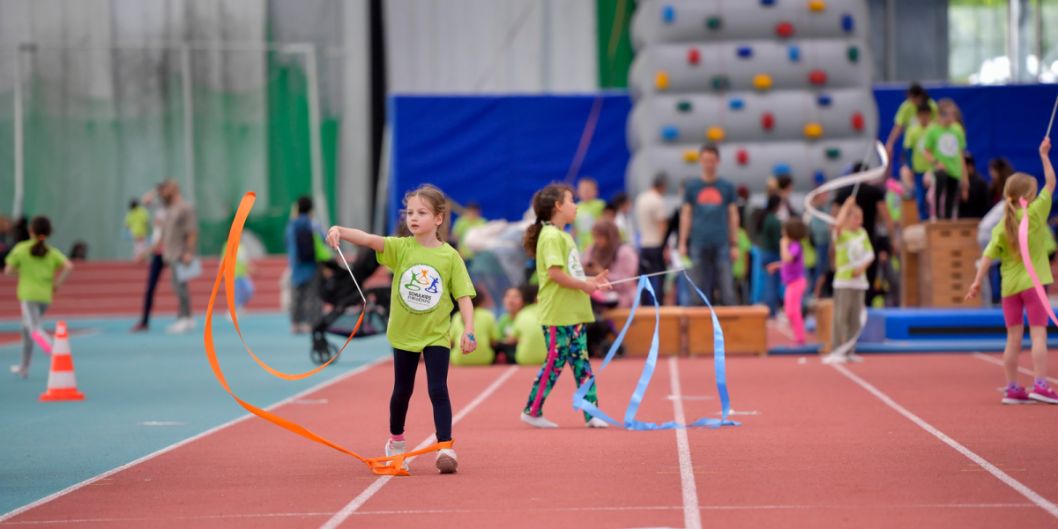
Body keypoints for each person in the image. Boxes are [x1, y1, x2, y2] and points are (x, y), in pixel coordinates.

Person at [326, 184, 475, 474]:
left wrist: (469, 329)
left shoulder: (450, 257)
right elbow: (369, 240)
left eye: (421, 212)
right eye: (410, 212)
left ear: (439, 219)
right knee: (402, 391)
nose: (413, 218)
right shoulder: (400, 247)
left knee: (438, 389)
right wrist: (340, 230)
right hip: (404, 334)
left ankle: (445, 446)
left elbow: (464, 297)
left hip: (436, 334)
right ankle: (396, 443)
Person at [967, 138, 1058, 405]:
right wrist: (1043, 155)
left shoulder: (1001, 224)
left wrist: (976, 281)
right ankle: (1040, 384)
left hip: (1010, 288)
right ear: (1028, 197)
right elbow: (1051, 183)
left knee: (1013, 338)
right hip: (1034, 283)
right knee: (1038, 333)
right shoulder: (1037, 213)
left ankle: (1012, 387)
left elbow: (986, 257)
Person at [520, 183, 611, 429]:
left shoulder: (563, 235)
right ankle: (532, 410)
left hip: (573, 312)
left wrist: (590, 281)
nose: (576, 205)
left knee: (582, 362)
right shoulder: (550, 236)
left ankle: (591, 413)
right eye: (571, 200)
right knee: (554, 363)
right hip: (557, 314)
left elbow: (571, 272)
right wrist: (584, 286)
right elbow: (554, 274)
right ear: (558, 206)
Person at [4, 217, 73, 379]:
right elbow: (69, 266)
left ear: (31, 231)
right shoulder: (51, 252)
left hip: (28, 295)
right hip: (44, 296)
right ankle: (24, 367)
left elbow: (8, 270)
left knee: (34, 329)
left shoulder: (21, 249)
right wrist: (57, 284)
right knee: (26, 329)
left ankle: (56, 353)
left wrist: (23, 273)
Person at [679, 144, 739, 306]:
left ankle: (731, 329)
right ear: (700, 161)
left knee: (727, 290)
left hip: (722, 243)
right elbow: (686, 215)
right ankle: (699, 327)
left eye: (712, 160)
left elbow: (733, 215)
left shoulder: (727, 187)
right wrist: (683, 242)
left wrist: (734, 244)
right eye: (705, 160)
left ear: (717, 161)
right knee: (696, 289)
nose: (708, 164)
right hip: (698, 242)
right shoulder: (692, 187)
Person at [823, 196, 875, 364]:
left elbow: (870, 254)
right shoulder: (841, 234)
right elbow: (837, 225)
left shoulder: (862, 233)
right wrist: (846, 206)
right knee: (841, 316)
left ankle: (850, 350)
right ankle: (837, 349)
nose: (859, 221)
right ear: (848, 219)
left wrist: (862, 267)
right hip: (844, 281)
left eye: (861, 218)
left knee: (855, 317)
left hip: (859, 281)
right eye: (855, 217)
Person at [159, 181, 198, 334]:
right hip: (171, 252)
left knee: (180, 286)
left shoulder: (185, 208)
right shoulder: (170, 208)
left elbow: (191, 231)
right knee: (176, 286)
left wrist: (188, 251)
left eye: (165, 189)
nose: (162, 193)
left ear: (174, 190)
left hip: (180, 252)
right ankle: (186, 316)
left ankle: (185, 317)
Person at [131, 184, 168, 333]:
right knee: (150, 287)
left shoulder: (171, 209)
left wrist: (144, 253)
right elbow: (145, 200)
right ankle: (145, 321)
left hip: (170, 251)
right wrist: (156, 190)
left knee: (179, 285)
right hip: (158, 252)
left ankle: (185, 316)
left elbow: (163, 238)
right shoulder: (159, 208)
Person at [922, 100, 968, 220]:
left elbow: (961, 155)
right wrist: (936, 163)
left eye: (954, 114)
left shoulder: (957, 130)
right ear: (941, 115)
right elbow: (926, 151)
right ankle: (936, 216)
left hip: (954, 171)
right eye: (950, 114)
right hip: (940, 171)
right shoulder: (933, 130)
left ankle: (947, 221)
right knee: (939, 190)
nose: (952, 118)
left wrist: (965, 178)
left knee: (950, 201)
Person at [767, 218, 808, 345]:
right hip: (792, 283)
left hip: (797, 282)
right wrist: (777, 265)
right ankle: (798, 336)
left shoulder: (795, 245)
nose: (782, 232)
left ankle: (800, 337)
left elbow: (788, 258)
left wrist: (783, 244)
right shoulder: (792, 246)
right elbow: (787, 262)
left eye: (784, 230)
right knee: (790, 311)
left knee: (792, 311)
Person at [285, 196, 323, 334]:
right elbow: (323, 239)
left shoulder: (292, 225)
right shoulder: (313, 223)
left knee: (297, 295)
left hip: (297, 266)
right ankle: (311, 322)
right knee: (312, 295)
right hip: (312, 265)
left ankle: (295, 323)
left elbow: (289, 245)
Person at [584, 219, 638, 309]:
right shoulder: (592, 250)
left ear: (610, 236)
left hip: (624, 302)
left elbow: (626, 282)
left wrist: (602, 273)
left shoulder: (625, 252)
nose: (597, 240)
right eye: (595, 237)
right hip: (598, 301)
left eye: (600, 237)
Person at [884, 82, 939, 165]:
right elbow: (898, 126)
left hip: (929, 145)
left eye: (912, 98)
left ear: (919, 97)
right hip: (911, 144)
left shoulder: (932, 106)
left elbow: (938, 125)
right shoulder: (906, 107)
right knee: (907, 168)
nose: (910, 100)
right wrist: (890, 143)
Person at [635, 174, 669, 304]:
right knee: (658, 278)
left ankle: (644, 304)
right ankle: (657, 304)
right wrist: (664, 246)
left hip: (643, 244)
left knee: (644, 278)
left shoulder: (641, 198)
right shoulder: (658, 200)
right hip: (656, 244)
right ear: (663, 187)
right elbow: (662, 225)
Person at [900, 102, 935, 221]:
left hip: (932, 169)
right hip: (919, 169)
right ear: (918, 116)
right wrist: (910, 167)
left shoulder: (933, 130)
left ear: (930, 115)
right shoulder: (912, 131)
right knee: (920, 198)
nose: (924, 118)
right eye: (922, 115)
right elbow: (908, 150)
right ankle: (923, 220)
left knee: (932, 197)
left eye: (926, 115)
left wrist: (934, 166)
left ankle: (933, 220)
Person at [449, 286, 497, 366]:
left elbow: (450, 342)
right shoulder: (488, 315)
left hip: (459, 359)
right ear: (481, 300)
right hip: (484, 359)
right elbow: (494, 341)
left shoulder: (457, 316)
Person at [758, 194, 783, 316]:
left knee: (768, 283)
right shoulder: (773, 220)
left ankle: (770, 309)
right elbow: (776, 240)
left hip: (766, 253)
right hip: (772, 254)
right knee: (772, 284)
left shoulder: (766, 217)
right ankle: (772, 311)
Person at [573, 177, 606, 252]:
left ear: (595, 191)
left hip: (597, 244)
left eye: (588, 190)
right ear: (578, 192)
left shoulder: (600, 204)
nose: (585, 192)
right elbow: (574, 228)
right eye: (583, 190)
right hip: (582, 246)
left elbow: (605, 223)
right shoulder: (576, 207)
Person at [958, 152, 991, 219]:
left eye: (966, 165)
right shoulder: (958, 181)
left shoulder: (980, 183)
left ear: (971, 166)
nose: (963, 169)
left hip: (976, 220)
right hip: (962, 221)